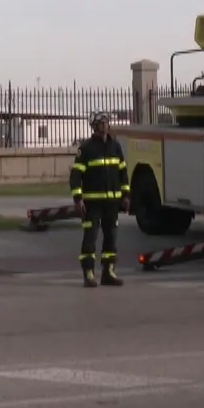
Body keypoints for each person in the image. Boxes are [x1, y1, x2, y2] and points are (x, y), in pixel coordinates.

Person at [70, 111, 128, 287]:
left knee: (111, 237)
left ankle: (108, 272)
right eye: (102, 123)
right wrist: (78, 199)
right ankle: (88, 273)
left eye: (107, 123)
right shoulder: (86, 148)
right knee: (91, 238)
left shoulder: (115, 147)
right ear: (94, 127)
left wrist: (126, 196)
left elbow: (123, 173)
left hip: (112, 203)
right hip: (92, 204)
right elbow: (76, 176)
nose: (106, 126)